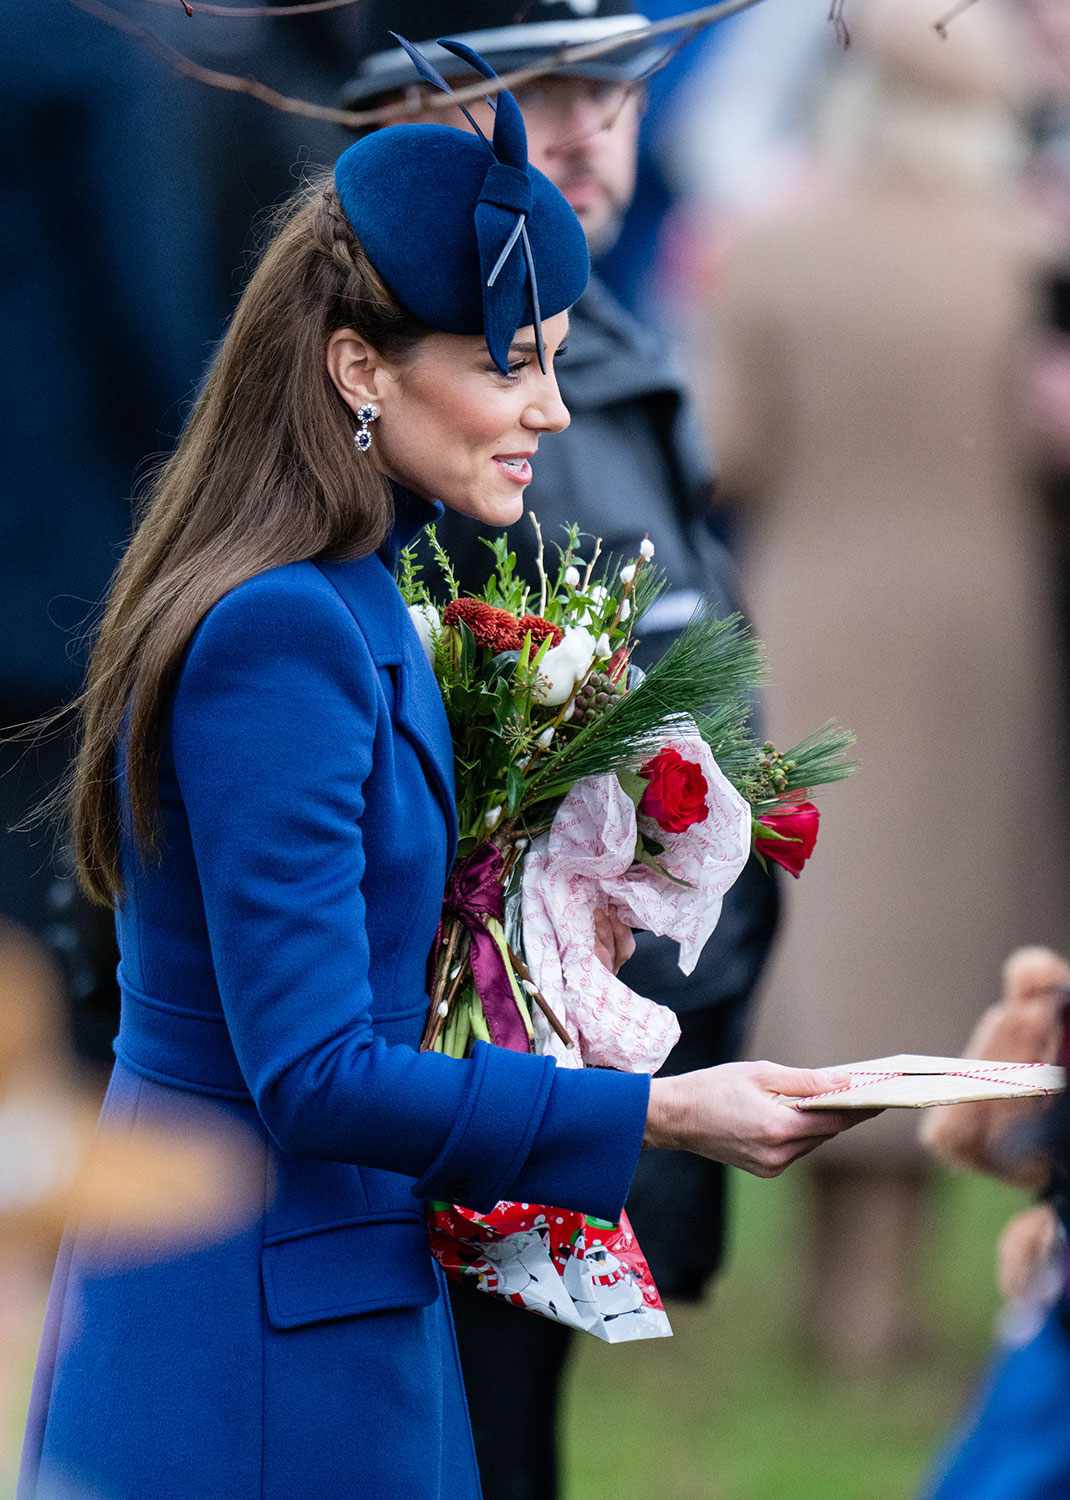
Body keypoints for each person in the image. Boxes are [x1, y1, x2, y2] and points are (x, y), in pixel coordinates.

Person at [17, 40, 861, 1500]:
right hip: (255, 1337)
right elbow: (314, 1073)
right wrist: (662, 1114)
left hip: (332, 1288)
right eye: (505, 362)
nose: (550, 408)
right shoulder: (279, 628)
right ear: (358, 366)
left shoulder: (355, 589)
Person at [339, 7, 780, 1495]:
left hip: (602, 1081)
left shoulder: (609, 343)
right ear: (388, 119)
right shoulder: (403, 392)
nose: (586, 130)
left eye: (615, 88)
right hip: (472, 1109)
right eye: (532, 91)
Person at [708, 0, 1070, 1369]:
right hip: (986, 632)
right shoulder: (1027, 252)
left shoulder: (771, 248)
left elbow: (728, 450)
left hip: (811, 617)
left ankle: (825, 1291)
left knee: (830, 933)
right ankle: (888, 1297)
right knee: (949, 939)